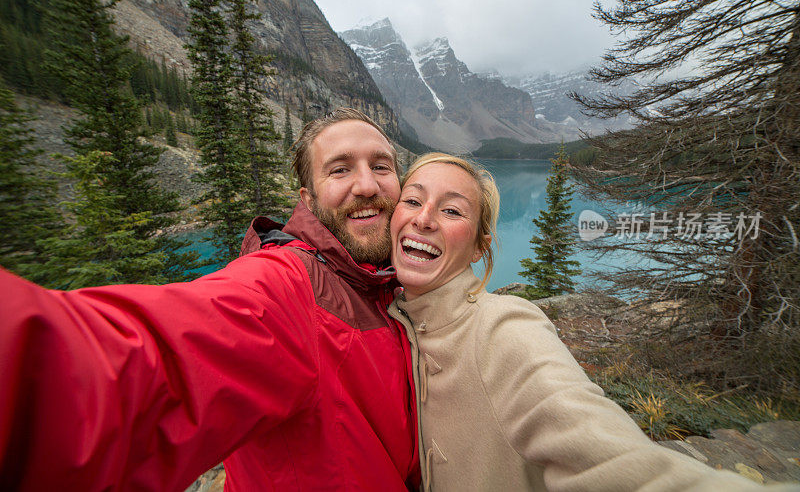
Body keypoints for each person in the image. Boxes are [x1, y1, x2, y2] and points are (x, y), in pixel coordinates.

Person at [0, 108, 420, 491]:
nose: (367, 185)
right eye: (340, 170)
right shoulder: (286, 289)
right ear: (307, 199)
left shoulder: (392, 287)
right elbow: (138, 363)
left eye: (380, 166)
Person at [386, 152, 799, 492]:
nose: (424, 219)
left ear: (480, 247)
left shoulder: (503, 328)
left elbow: (611, 457)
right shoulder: (389, 319)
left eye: (453, 210)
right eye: (412, 200)